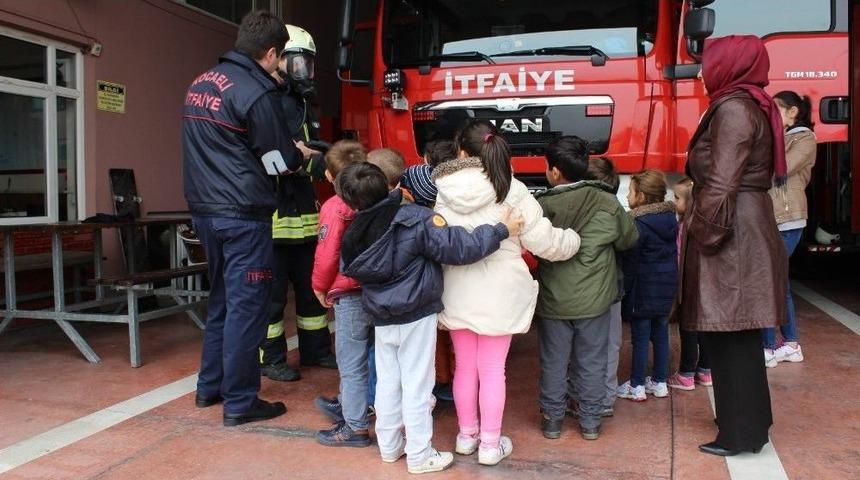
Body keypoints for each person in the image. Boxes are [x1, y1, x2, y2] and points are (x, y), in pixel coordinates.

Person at [338, 162, 525, 474]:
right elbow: (459, 248)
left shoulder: (354, 232)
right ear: (389, 185)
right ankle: (420, 455)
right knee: (417, 385)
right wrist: (501, 230)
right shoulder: (414, 219)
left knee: (388, 381)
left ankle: (390, 446)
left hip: (382, 316)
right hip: (416, 313)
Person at [183, 11, 314, 426]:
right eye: (279, 60)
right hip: (243, 216)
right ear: (272, 52)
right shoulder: (256, 93)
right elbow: (277, 161)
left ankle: (211, 388)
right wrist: (301, 155)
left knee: (222, 300)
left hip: (206, 212)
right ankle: (240, 402)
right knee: (248, 309)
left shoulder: (201, 83)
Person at [433, 120, 580, 464]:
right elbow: (542, 241)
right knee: (492, 369)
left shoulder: (444, 188)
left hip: (456, 289)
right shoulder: (511, 189)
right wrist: (573, 241)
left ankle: (466, 436)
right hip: (500, 294)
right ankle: (490, 444)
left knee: (465, 367)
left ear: (463, 151)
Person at [679, 35, 787, 457]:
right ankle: (747, 422)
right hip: (740, 222)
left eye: (710, 62)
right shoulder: (748, 103)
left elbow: (722, 180)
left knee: (730, 334)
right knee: (734, 334)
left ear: (730, 64)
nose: (704, 71)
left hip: (730, 229)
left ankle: (740, 434)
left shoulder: (735, 107)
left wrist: (702, 232)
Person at [535, 136, 638, 441]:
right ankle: (590, 422)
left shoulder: (542, 205)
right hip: (595, 300)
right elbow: (628, 239)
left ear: (554, 172)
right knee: (592, 360)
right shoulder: (607, 201)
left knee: (553, 360)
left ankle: (552, 420)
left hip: (554, 300)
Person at [260, 24, 334, 383]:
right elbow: (271, 155)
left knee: (311, 293)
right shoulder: (267, 101)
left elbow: (310, 149)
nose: (308, 71)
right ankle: (270, 359)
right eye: (300, 62)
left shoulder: (302, 102)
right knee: (272, 299)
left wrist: (323, 157)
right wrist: (304, 158)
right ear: (278, 59)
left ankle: (316, 351)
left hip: (304, 216)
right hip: (273, 219)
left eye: (310, 63)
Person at [309, 140, 375, 446]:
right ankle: (357, 405)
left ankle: (355, 426)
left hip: (348, 292)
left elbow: (327, 254)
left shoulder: (335, 206)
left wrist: (320, 287)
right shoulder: (379, 198)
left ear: (329, 176)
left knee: (351, 361)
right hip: (377, 288)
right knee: (377, 356)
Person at [763, 90, 816, 367]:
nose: (771, 115)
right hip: (775, 219)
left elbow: (782, 167)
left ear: (793, 111)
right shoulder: (782, 137)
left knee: (771, 282)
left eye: (776, 110)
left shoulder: (804, 138)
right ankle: (790, 343)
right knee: (777, 282)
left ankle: (771, 346)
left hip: (788, 218)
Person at [568, 156, 623, 417]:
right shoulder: (614, 210)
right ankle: (604, 400)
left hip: (575, 289)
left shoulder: (569, 208)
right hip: (610, 289)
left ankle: (579, 397)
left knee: (579, 348)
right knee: (608, 344)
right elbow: (629, 239)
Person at [616, 170, 678, 401]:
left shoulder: (637, 224)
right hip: (666, 284)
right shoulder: (670, 219)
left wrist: (626, 290)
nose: (627, 197)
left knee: (640, 337)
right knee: (661, 334)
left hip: (643, 287)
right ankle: (660, 382)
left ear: (641, 196)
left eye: (631, 192)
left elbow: (631, 262)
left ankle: (637, 385)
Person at [667, 177, 712, 391]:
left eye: (676, 198)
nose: (674, 202)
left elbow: (677, 257)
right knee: (704, 328)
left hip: (688, 285)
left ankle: (685, 373)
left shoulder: (684, 227)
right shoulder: (705, 226)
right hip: (705, 286)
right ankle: (705, 370)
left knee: (688, 329)